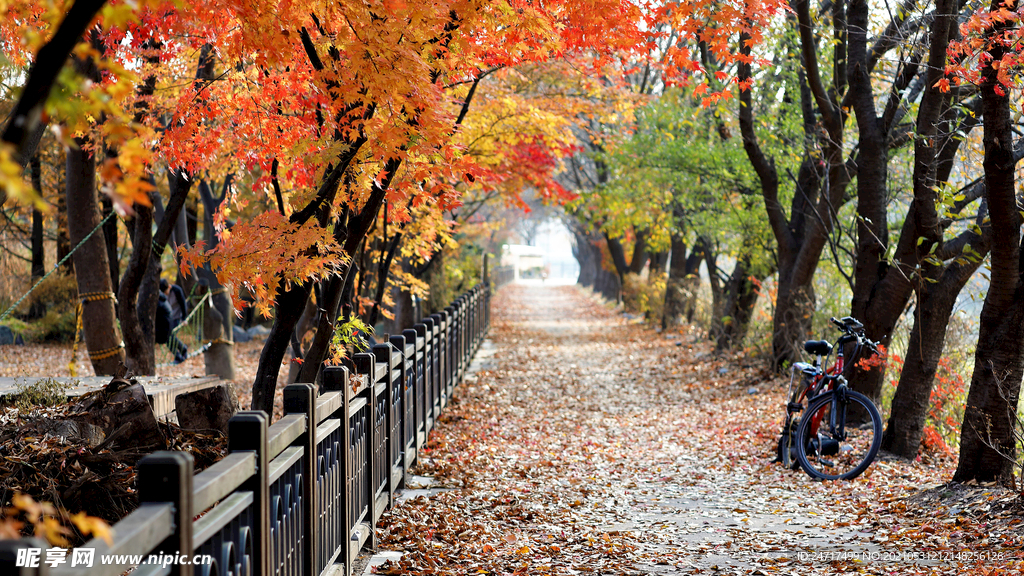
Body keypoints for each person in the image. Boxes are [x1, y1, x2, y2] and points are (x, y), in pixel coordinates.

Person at [158, 279, 189, 363]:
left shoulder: (177, 290)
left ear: (169, 287)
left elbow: (183, 304)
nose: (165, 294)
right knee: (166, 338)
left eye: (166, 291)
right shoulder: (161, 295)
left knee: (170, 336)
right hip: (168, 319)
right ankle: (178, 355)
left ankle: (183, 350)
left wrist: (184, 318)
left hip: (177, 317)